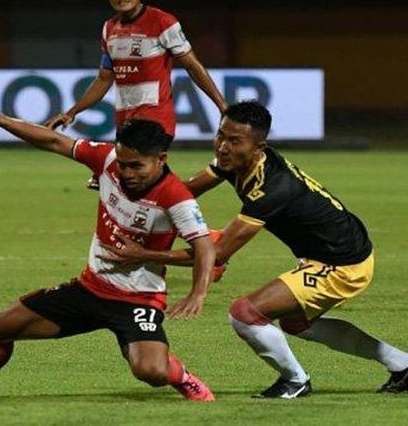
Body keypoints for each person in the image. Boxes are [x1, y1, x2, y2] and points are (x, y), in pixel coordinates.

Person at [99, 100, 408, 398]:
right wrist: (131, 188)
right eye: (220, 135)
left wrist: (143, 255)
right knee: (295, 323)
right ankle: (402, 364)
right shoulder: (234, 161)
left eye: (234, 141)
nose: (222, 146)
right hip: (333, 250)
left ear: (258, 147)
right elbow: (183, 191)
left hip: (342, 263)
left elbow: (217, 255)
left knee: (245, 313)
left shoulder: (271, 189)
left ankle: (295, 381)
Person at [0, 89, 218, 401]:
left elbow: (204, 247)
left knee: (151, 372)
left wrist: (195, 291)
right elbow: (53, 141)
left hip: (138, 299)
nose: (127, 173)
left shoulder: (176, 198)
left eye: (137, 166)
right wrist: (0, 120)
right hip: (89, 288)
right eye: (124, 164)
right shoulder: (107, 160)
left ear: (161, 159)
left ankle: (183, 377)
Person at [45, 0, 227, 139]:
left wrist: (222, 106)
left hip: (155, 122)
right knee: (129, 171)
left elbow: (193, 66)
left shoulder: (162, 22)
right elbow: (104, 79)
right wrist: (71, 112)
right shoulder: (109, 28)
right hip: (126, 124)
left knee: (132, 170)